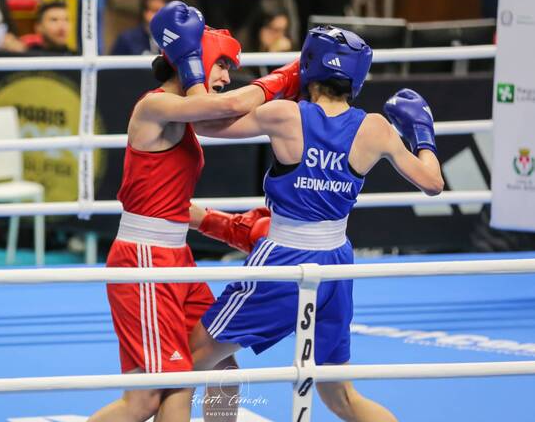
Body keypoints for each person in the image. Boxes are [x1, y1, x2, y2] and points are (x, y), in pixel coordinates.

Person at [188, 26, 445, 422]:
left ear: (305, 65)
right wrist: (422, 136)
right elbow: (432, 182)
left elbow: (203, 123)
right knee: (339, 394)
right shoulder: (375, 128)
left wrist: (270, 84)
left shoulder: (284, 114)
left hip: (284, 259)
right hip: (337, 264)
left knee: (194, 355)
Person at [88, 0, 300, 422]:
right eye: (219, 64)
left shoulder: (183, 116)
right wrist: (286, 76)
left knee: (222, 367)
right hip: (146, 260)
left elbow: (169, 197)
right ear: (194, 59)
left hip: (174, 256)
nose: (224, 76)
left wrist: (222, 224)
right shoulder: (156, 107)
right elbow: (224, 107)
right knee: (152, 396)